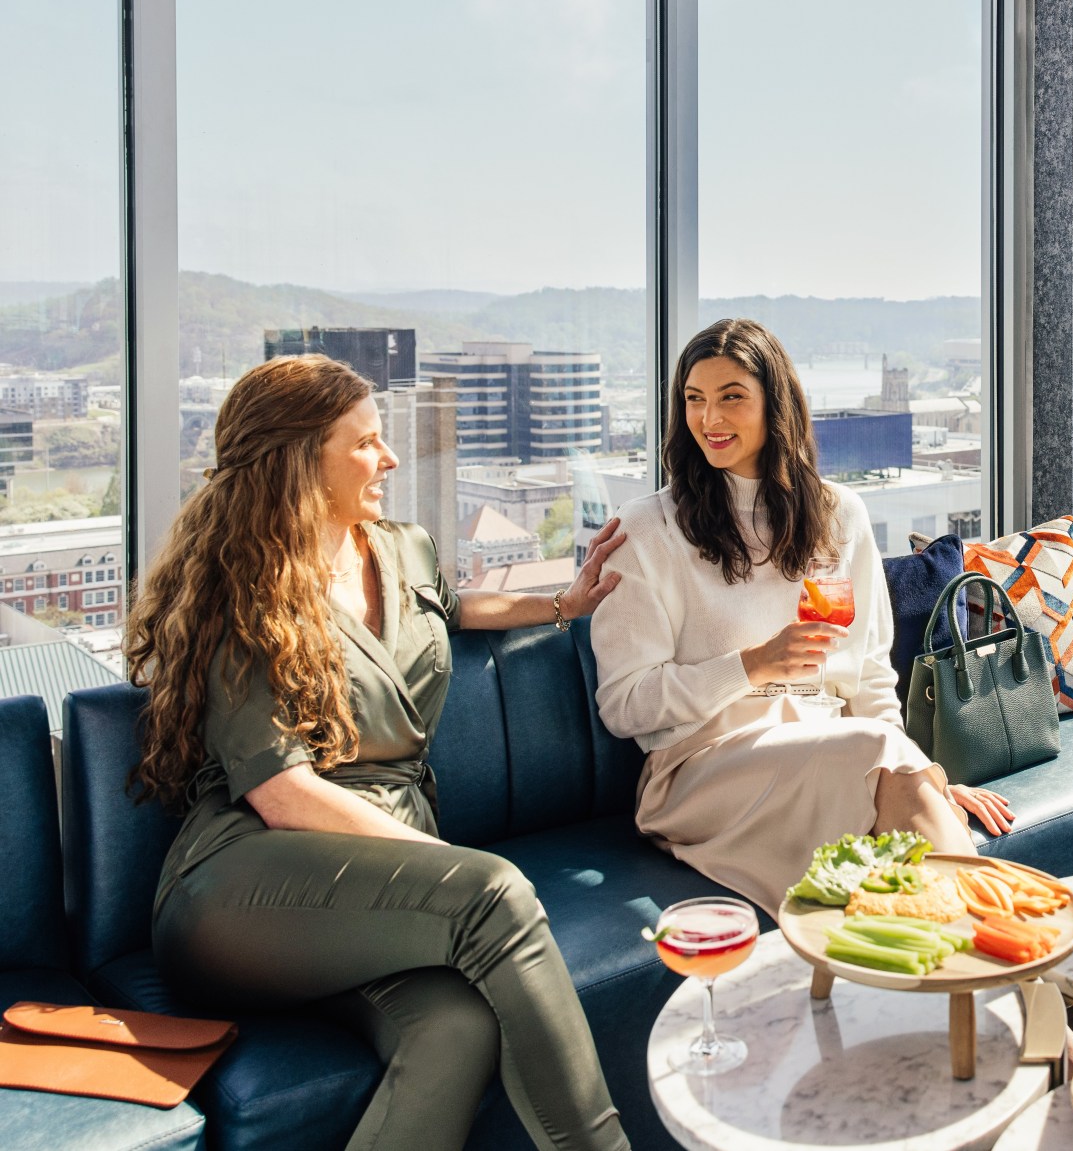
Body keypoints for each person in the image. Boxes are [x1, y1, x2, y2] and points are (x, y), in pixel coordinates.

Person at [126, 354, 633, 1151]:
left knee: (457, 1028)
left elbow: (453, 610)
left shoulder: (402, 548)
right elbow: (284, 794)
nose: (389, 458)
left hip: (368, 892)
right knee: (494, 894)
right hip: (245, 886)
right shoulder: (242, 592)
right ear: (302, 458)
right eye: (365, 442)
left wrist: (564, 603)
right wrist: (446, 869)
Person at [590, 318, 1014, 911]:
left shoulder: (841, 517)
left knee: (900, 795)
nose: (709, 419)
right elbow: (624, 705)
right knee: (890, 774)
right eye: (694, 399)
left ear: (775, 403)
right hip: (701, 772)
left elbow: (866, 675)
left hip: (833, 749)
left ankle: (971, 975)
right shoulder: (648, 530)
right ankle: (1014, 968)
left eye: (731, 397)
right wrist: (753, 665)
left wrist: (910, 774)